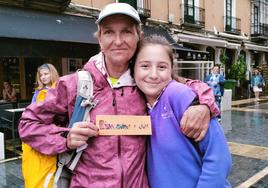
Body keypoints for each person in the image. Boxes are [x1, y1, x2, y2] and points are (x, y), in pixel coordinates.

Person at [19, 3, 219, 187]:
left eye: (126, 32)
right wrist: (66, 137)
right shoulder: (75, 84)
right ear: (99, 38)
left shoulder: (145, 80)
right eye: (108, 32)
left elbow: (187, 85)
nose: (118, 41)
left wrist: (204, 105)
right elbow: (28, 125)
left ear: (137, 36)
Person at [133, 34, 231, 188]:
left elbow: (219, 157)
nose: (153, 75)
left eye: (162, 67)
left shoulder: (178, 94)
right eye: (145, 66)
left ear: (172, 69)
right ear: (133, 69)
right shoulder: (137, 102)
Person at [22, 63, 59, 188]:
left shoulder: (59, 89)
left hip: (53, 131)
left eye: (46, 74)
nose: (43, 77)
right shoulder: (38, 93)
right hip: (39, 131)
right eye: (41, 75)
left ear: (52, 73)